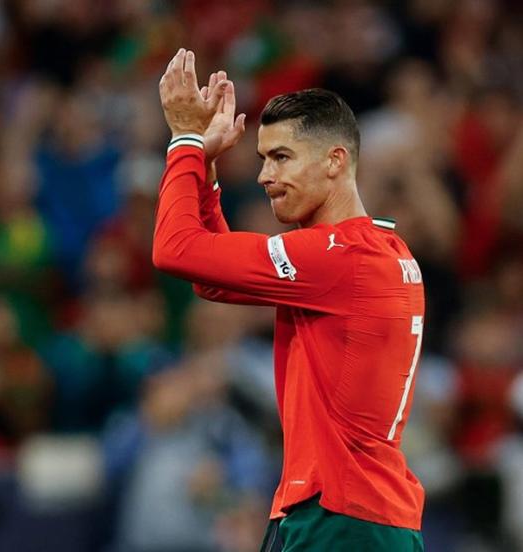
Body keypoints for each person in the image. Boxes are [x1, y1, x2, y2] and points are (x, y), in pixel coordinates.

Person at [153, 48, 426, 551]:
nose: (263, 177)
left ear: (334, 161)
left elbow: (174, 250)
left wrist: (185, 142)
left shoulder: (338, 257)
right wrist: (207, 175)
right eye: (262, 159)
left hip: (340, 519)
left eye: (281, 157)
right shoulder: (376, 250)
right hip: (347, 511)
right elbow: (212, 280)